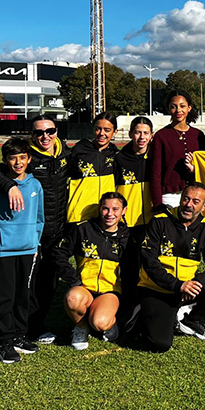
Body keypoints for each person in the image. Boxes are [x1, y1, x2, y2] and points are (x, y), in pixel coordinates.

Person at [0, 114, 70, 344]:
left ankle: (34, 327)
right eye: (39, 132)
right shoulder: (24, 157)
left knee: (47, 284)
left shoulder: (67, 154)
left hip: (53, 231)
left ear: (56, 131)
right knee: (23, 287)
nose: (45, 136)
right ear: (32, 135)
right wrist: (9, 186)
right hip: (23, 238)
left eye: (49, 131)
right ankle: (18, 332)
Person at [137, 182, 205, 352]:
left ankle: (191, 319)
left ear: (204, 206)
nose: (189, 205)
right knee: (160, 344)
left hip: (186, 292)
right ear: (180, 199)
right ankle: (150, 315)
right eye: (186, 199)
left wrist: (196, 283)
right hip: (157, 289)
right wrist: (178, 285)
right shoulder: (159, 221)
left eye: (196, 201)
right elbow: (149, 261)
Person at [0, 137, 44, 363]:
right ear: (5, 161)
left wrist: (35, 243)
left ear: (29, 159)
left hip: (27, 250)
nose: (18, 162)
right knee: (4, 297)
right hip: (2, 251)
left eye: (22, 158)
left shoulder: (35, 185)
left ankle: (19, 336)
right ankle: (4, 343)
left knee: (23, 295)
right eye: (12, 158)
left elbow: (39, 219)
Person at [53, 192, 130, 350]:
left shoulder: (128, 237)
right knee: (72, 298)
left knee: (100, 323)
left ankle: (110, 322)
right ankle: (81, 327)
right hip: (84, 287)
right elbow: (59, 254)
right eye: (105, 209)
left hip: (109, 290)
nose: (109, 214)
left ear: (124, 211)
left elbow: (133, 271)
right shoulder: (83, 229)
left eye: (115, 209)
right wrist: (74, 279)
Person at [115, 116, 154, 315]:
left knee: (150, 268)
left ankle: (148, 308)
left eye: (145, 133)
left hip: (151, 224)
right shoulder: (119, 158)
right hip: (127, 224)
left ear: (151, 135)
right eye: (137, 132)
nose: (141, 137)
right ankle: (127, 310)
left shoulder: (156, 157)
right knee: (129, 270)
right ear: (130, 134)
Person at [149, 90, 205, 211]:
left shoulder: (198, 135)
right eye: (174, 106)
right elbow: (155, 173)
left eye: (182, 106)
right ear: (168, 109)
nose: (178, 110)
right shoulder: (161, 136)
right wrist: (157, 204)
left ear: (189, 108)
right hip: (170, 197)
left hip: (195, 196)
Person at [67, 111, 119, 224]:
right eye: (98, 128)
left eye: (107, 130)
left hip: (104, 216)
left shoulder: (115, 154)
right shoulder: (78, 150)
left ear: (115, 132)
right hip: (79, 215)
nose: (101, 133)